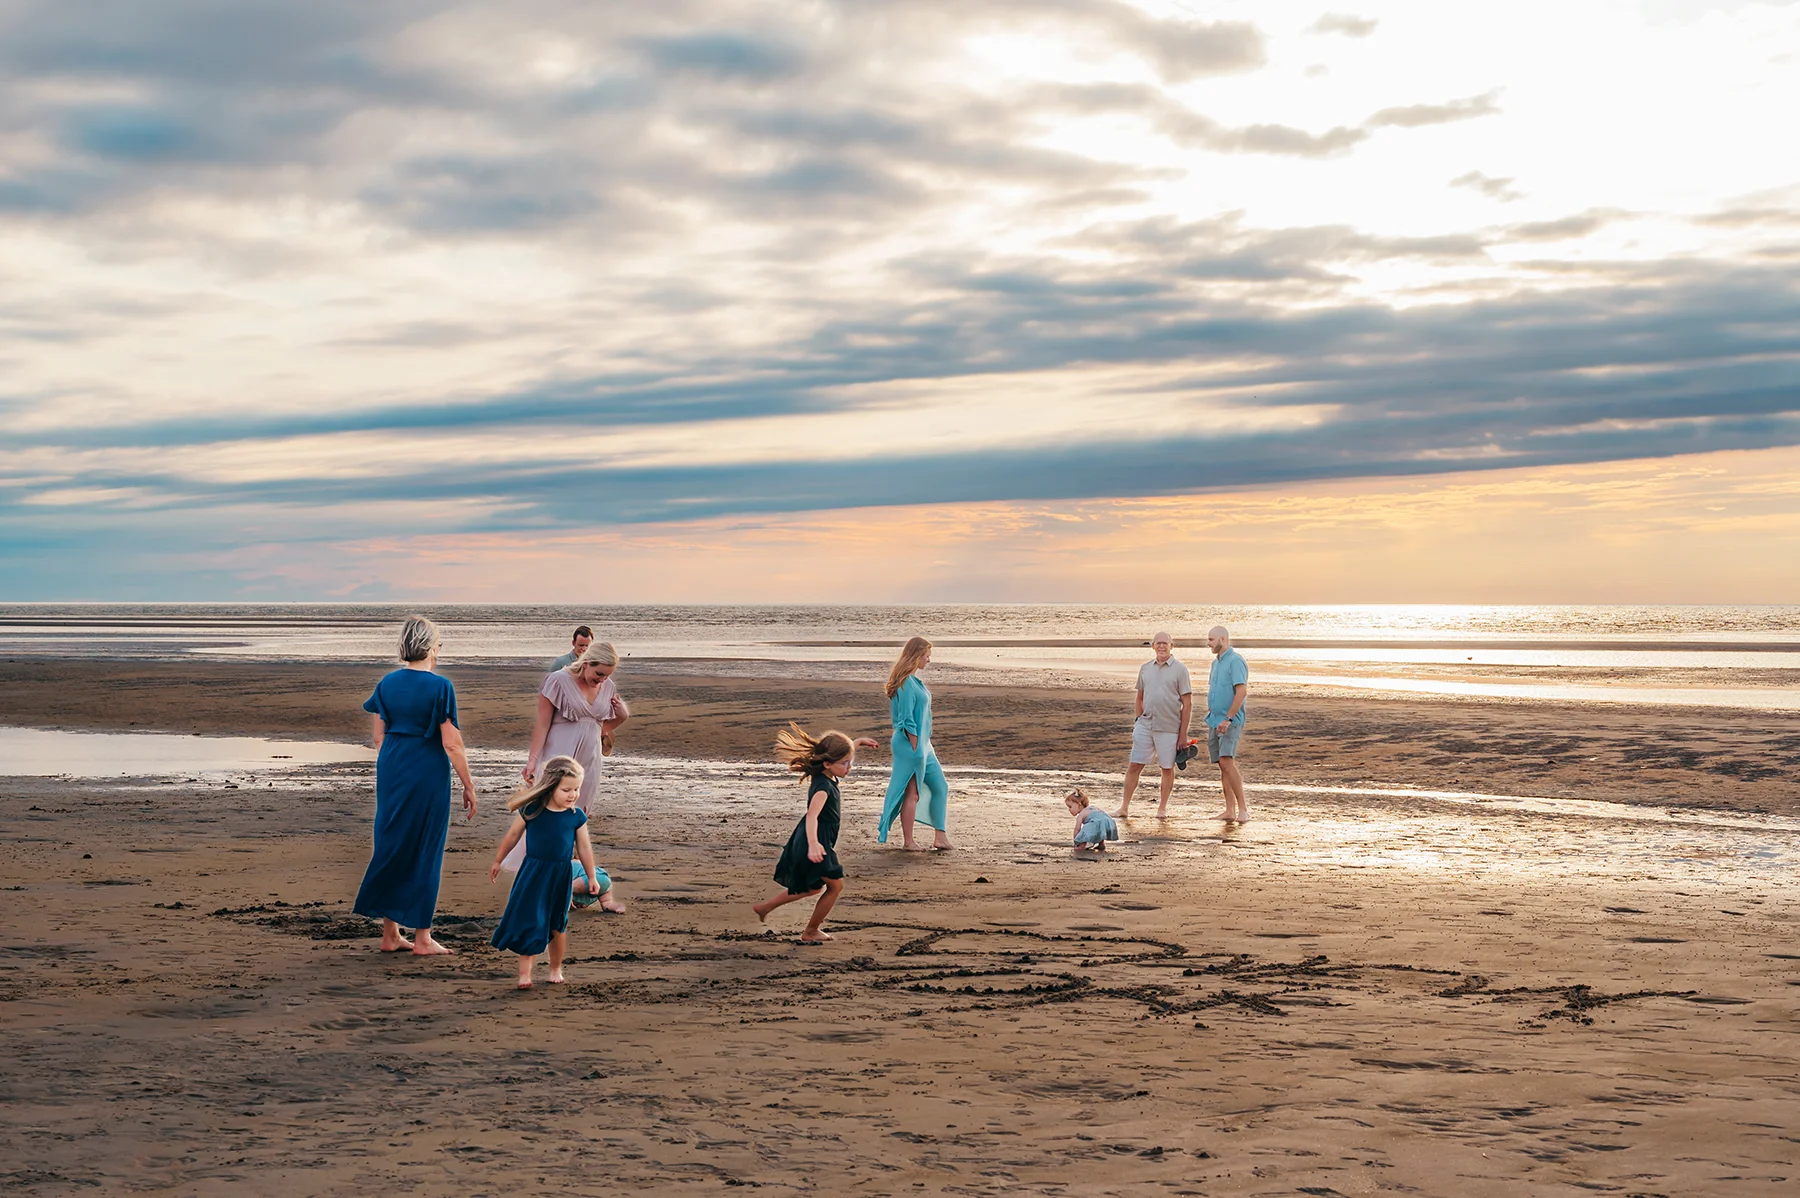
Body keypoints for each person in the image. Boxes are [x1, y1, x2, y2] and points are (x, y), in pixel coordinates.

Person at [353, 615, 478, 956]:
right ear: (432, 646)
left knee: (391, 842)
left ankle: (390, 934)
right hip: (426, 769)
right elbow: (451, 743)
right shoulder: (440, 686)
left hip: (392, 765)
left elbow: (378, 735)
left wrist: (396, 759)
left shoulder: (387, 683)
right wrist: (468, 784)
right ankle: (423, 938)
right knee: (425, 848)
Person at [503, 641, 628, 910]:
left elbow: (601, 727)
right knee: (544, 815)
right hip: (558, 757)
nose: (602, 679)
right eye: (599, 673)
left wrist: (623, 716)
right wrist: (533, 761)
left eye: (607, 675)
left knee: (574, 819)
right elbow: (542, 724)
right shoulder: (557, 681)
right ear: (587, 663)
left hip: (589, 761)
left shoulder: (608, 687)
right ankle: (531, 878)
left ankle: (564, 885)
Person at [753, 723, 879, 943]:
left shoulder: (827, 772)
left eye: (851, 762)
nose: (849, 767)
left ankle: (765, 907)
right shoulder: (823, 788)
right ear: (828, 763)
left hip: (815, 840)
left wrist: (857, 742)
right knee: (835, 885)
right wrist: (813, 843)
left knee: (811, 888)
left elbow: (842, 755)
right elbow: (811, 816)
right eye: (845, 763)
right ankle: (810, 931)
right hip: (815, 841)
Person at [488, 756, 601, 989]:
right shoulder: (532, 810)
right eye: (566, 789)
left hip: (561, 875)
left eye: (577, 789)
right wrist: (498, 860)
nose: (573, 794)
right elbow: (512, 836)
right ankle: (524, 975)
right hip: (533, 874)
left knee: (557, 924)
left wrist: (591, 876)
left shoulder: (575, 817)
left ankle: (555, 968)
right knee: (531, 919)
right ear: (551, 787)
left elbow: (585, 848)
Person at [878, 636, 953, 850]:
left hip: (923, 746)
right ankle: (908, 842)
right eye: (926, 656)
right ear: (916, 656)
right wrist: (915, 746)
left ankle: (940, 836)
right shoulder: (906, 684)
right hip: (911, 746)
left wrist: (922, 746)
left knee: (940, 786)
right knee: (912, 793)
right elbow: (906, 719)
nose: (928, 660)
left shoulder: (914, 681)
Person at [1115, 631, 1192, 820]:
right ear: (1153, 646)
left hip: (1169, 727)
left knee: (1167, 768)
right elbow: (1139, 696)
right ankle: (1124, 807)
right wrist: (1138, 719)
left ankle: (1162, 808)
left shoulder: (1180, 670)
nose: (1162, 646)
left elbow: (1187, 704)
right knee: (1134, 765)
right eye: (1158, 643)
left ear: (1172, 646)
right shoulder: (1145, 668)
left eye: (1165, 643)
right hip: (1145, 724)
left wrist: (1183, 735)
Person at [1206, 625, 1250, 822]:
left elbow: (1241, 691)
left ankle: (1243, 809)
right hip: (1215, 720)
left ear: (1222, 639)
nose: (1209, 643)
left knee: (1227, 761)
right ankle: (1229, 810)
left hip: (1229, 721)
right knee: (1222, 765)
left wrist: (1228, 718)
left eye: (1211, 639)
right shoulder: (1216, 663)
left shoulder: (1235, 661)